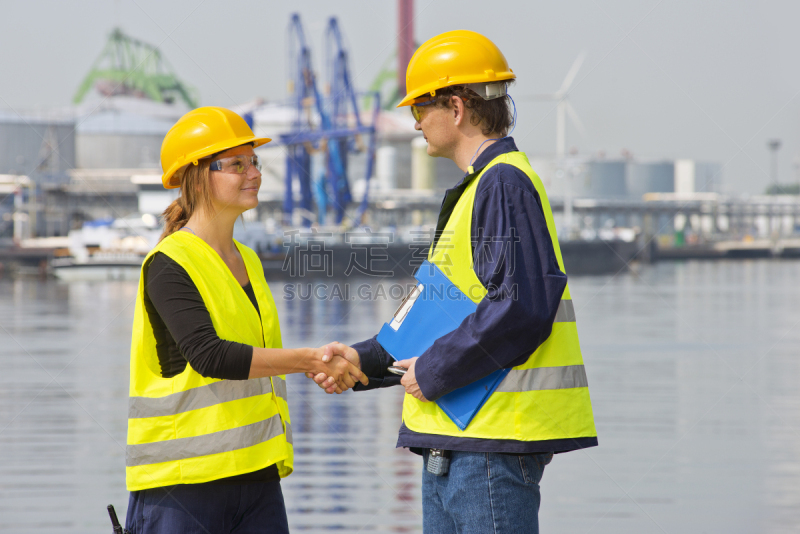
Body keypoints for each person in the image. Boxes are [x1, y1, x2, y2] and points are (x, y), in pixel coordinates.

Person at [310, 31, 598, 533]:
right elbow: (432, 315)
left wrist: (437, 371)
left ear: (457, 107)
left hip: (488, 451)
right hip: (455, 446)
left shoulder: (502, 183)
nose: (416, 121)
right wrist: (364, 361)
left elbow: (523, 306)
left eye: (421, 106)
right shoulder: (476, 190)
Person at [124, 106, 366, 533]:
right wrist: (310, 360)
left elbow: (258, 359)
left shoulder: (249, 261)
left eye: (253, 161)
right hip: (184, 488)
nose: (253, 173)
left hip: (256, 478)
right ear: (197, 176)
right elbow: (209, 356)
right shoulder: (168, 264)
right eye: (236, 164)